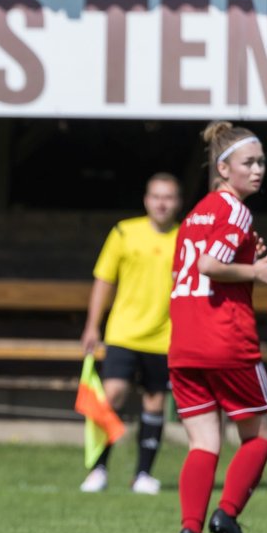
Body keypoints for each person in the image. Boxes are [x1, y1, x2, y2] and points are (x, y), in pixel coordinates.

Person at [169, 121, 267, 533]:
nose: (258, 170)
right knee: (260, 433)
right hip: (225, 340)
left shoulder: (196, 214)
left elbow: (196, 265)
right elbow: (211, 266)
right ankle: (226, 514)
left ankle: (190, 532)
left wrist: (247, 253)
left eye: (262, 161)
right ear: (223, 167)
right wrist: (255, 271)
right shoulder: (236, 211)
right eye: (249, 162)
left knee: (204, 441)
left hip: (185, 343)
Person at [79, 173, 181, 495]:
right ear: (146, 199)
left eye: (168, 197)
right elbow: (103, 279)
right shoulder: (125, 232)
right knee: (112, 396)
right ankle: (98, 469)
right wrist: (93, 325)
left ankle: (143, 475)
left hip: (164, 336)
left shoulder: (186, 238)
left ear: (178, 203)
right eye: (156, 196)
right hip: (123, 332)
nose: (162, 203)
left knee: (154, 402)